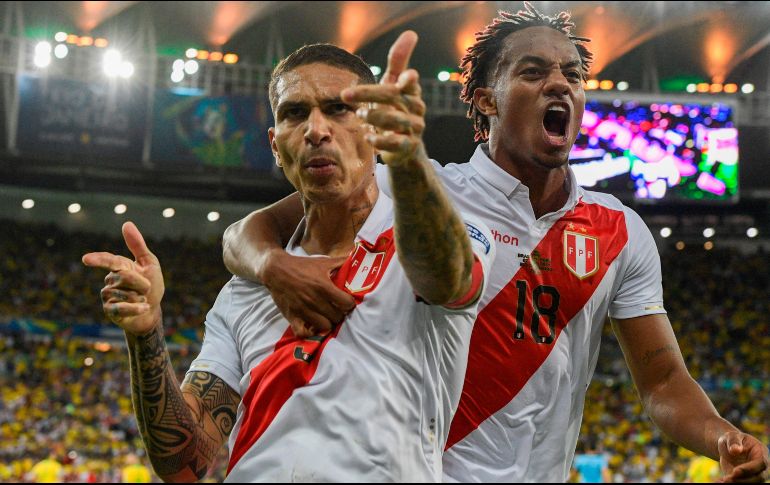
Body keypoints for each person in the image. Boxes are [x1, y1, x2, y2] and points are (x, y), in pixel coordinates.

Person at [221, 2, 770, 483]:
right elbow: (246, 231)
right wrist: (272, 265)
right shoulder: (415, 190)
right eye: (533, 72)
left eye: (572, 75)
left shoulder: (620, 231)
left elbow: (664, 383)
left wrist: (722, 437)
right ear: (485, 100)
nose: (559, 83)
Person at [82, 35, 495, 482]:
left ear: (374, 130)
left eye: (339, 108)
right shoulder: (245, 290)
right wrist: (146, 333)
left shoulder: (429, 244)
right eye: (295, 113)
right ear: (277, 146)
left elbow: (450, 280)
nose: (316, 130)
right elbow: (184, 464)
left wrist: (408, 155)